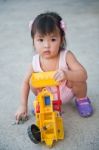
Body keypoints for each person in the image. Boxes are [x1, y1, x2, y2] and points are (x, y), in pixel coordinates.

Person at [15, 11, 93, 123]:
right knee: (31, 81)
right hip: (47, 96)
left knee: (78, 79)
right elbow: (25, 83)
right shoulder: (35, 62)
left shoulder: (66, 56)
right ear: (33, 40)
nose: (46, 45)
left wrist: (67, 74)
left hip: (67, 90)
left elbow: (83, 74)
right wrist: (23, 105)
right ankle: (43, 104)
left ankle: (82, 100)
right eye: (40, 40)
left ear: (61, 39)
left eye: (53, 39)